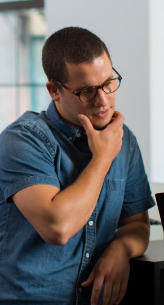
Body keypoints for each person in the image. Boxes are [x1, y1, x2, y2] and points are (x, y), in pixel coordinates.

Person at [0, 27, 155, 305]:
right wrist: (103, 158)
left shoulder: (123, 139)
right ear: (54, 90)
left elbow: (137, 224)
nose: (103, 100)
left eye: (109, 83)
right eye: (86, 91)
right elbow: (57, 227)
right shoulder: (20, 140)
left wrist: (121, 248)